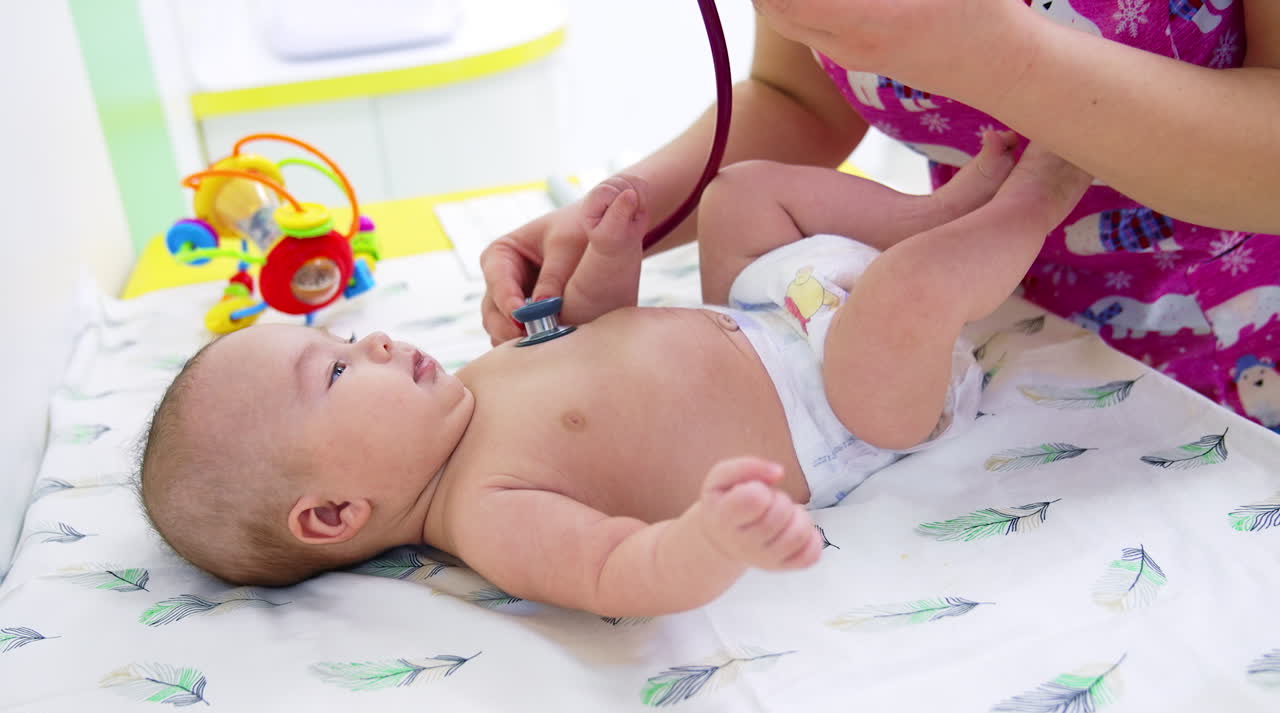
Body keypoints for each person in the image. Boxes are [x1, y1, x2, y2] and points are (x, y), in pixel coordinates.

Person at [139, 139, 1091, 616]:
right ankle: (1049, 189)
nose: (378, 345)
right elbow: (617, 577)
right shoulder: (490, 510)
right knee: (906, 297)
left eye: (349, 338)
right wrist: (714, 537)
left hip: (762, 313)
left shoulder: (472, 384)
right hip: (841, 405)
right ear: (335, 514)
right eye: (341, 375)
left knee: (743, 191)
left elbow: (592, 336)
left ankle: (935, 211)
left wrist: (608, 261)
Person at [481, 2, 1280, 432]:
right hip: (983, 360)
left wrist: (1002, 54)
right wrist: (624, 208)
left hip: (1235, 367)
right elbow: (803, 98)